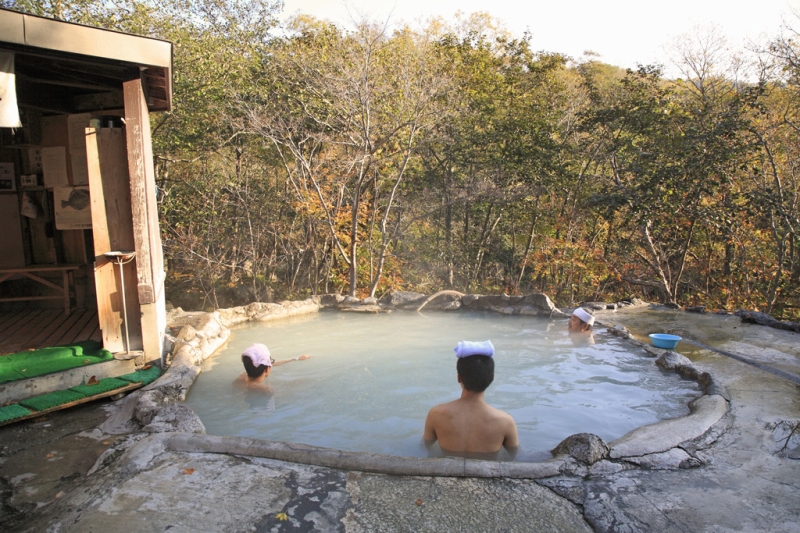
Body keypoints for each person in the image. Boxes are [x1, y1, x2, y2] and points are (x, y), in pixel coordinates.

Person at [423, 340, 519, 459]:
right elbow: (513, 454)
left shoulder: (436, 414)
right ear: (492, 378)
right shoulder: (505, 421)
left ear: (459, 377)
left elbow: (426, 446)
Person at [235, 343, 311, 391]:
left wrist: (295, 359)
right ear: (267, 369)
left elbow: (268, 364)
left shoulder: (242, 377)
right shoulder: (265, 390)